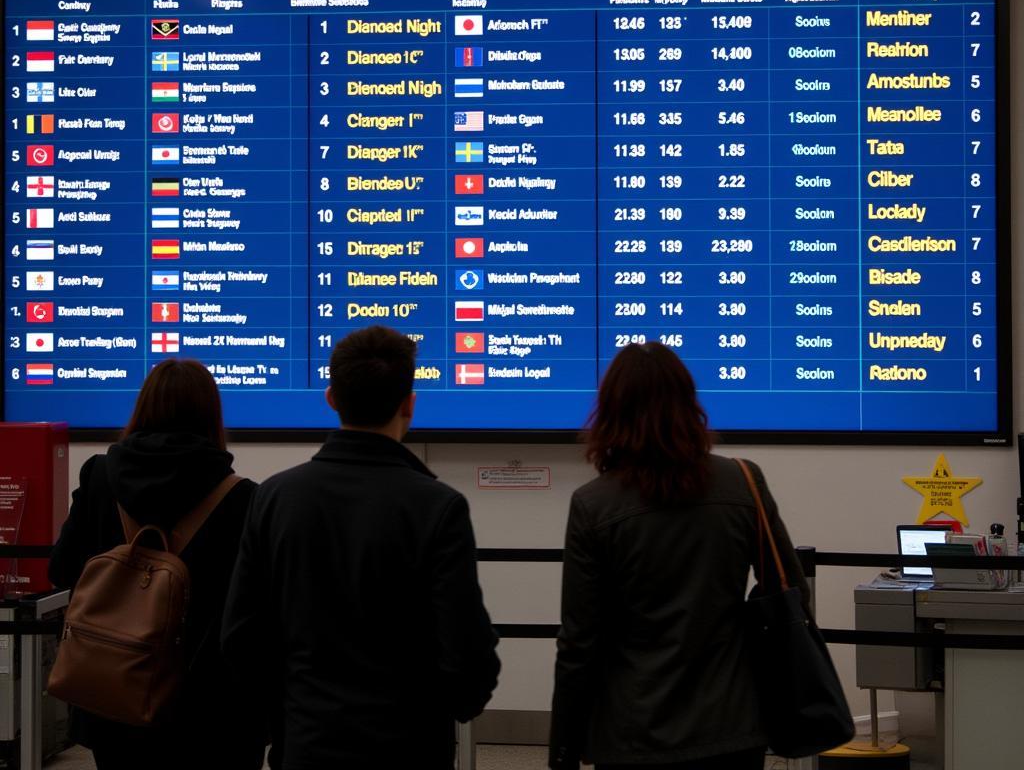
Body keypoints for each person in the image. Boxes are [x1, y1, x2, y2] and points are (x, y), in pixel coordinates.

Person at [222, 324, 500, 770]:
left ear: (331, 398)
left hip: (307, 745)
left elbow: (241, 639)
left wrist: (288, 719)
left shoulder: (275, 498)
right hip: (410, 748)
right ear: (410, 404)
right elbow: (465, 654)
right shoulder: (437, 507)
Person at [549, 342, 810, 770]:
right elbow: (791, 591)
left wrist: (563, 747)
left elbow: (580, 642)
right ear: (689, 405)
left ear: (611, 411)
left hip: (632, 730)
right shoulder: (743, 480)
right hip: (731, 724)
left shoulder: (592, 505)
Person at [49, 358, 264, 770]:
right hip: (210, 714)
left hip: (114, 697)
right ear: (211, 416)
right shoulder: (243, 499)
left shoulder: (99, 477)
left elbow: (61, 570)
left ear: (143, 407)